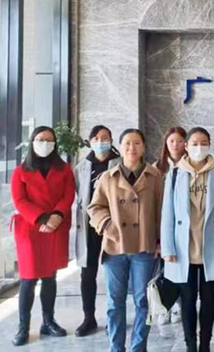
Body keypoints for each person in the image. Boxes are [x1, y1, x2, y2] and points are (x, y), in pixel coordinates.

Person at [161, 127, 214, 352]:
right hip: (183, 246)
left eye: (203, 143)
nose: (199, 147)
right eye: (194, 143)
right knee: (187, 299)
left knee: (208, 297)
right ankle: (190, 345)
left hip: (211, 244)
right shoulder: (175, 173)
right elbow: (167, 213)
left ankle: (205, 344)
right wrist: (167, 247)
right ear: (186, 146)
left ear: (210, 145)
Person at [88, 128, 164, 352]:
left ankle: (138, 347)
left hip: (144, 246)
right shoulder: (107, 177)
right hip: (115, 247)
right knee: (114, 303)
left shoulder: (155, 176)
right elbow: (94, 207)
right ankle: (116, 348)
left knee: (143, 301)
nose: (132, 148)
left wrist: (161, 241)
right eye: (127, 143)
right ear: (120, 148)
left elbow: (163, 210)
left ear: (144, 147)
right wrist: (107, 225)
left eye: (137, 143)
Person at [10, 126, 75, 346]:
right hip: (31, 229)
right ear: (32, 141)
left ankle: (48, 322)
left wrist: (57, 216)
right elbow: (20, 201)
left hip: (55, 227)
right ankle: (23, 326)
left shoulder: (64, 169)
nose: (45, 143)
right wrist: (42, 218)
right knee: (28, 278)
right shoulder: (20, 171)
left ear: (55, 144)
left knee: (50, 276)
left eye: (49, 140)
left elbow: (68, 195)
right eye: (40, 139)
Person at [71, 125, 122, 337]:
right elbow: (79, 195)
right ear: (90, 141)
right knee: (88, 272)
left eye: (105, 138)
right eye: (97, 138)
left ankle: (114, 317)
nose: (101, 142)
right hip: (89, 226)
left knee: (115, 272)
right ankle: (89, 318)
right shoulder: (81, 167)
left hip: (114, 225)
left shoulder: (120, 163)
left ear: (112, 140)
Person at [154, 126, 187, 324]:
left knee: (181, 267)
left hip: (183, 225)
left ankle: (178, 306)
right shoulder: (156, 168)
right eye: (171, 141)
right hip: (163, 223)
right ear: (166, 143)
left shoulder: (190, 165)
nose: (175, 145)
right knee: (163, 269)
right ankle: (164, 306)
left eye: (180, 141)